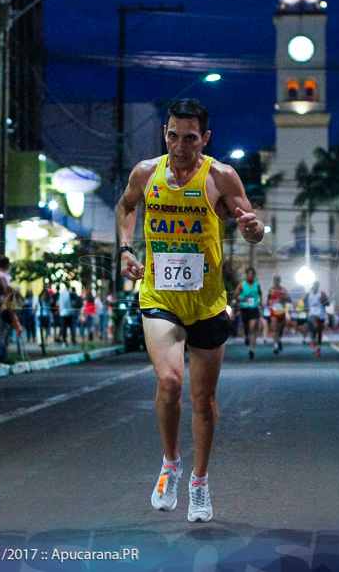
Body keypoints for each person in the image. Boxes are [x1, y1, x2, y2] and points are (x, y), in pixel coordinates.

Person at [115, 97, 263, 523]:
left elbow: (250, 226)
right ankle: (170, 464)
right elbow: (126, 206)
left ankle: (199, 481)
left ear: (206, 138)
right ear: (165, 133)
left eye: (191, 137)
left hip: (208, 302)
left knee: (203, 397)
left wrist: (255, 229)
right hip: (159, 295)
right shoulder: (146, 173)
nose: (181, 146)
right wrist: (126, 250)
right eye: (173, 136)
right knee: (170, 381)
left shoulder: (221, 176)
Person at [233, 267, 262, 359]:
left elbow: (260, 295)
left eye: (252, 274)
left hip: (254, 308)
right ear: (246, 275)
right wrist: (241, 299)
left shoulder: (257, 285)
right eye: (248, 274)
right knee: (246, 326)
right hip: (244, 308)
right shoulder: (242, 284)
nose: (250, 276)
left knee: (253, 328)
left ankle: (251, 350)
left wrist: (260, 303)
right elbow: (235, 296)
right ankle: (246, 336)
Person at [265, 275, 291, 354]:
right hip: (273, 312)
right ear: (273, 281)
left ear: (280, 281)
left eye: (277, 280)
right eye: (275, 280)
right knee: (275, 328)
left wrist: (284, 298)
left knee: (280, 329)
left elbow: (289, 300)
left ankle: (279, 340)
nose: (276, 281)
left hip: (281, 312)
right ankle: (275, 345)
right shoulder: (271, 290)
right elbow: (267, 301)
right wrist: (269, 302)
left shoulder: (283, 290)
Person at [306, 281, 329, 357]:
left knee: (319, 331)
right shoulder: (309, 293)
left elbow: (327, 303)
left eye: (317, 285)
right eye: (315, 285)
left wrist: (324, 300)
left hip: (321, 313)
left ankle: (318, 349)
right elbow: (304, 300)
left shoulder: (322, 293)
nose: (316, 286)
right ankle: (312, 339)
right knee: (316, 326)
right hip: (313, 312)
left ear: (319, 286)